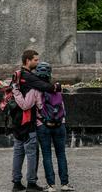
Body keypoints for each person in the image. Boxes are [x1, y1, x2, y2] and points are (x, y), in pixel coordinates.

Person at [10, 49, 57, 191]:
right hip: (27, 120)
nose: (37, 62)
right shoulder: (28, 76)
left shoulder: (18, 75)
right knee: (32, 152)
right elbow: (45, 86)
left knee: (18, 151)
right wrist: (56, 87)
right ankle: (31, 183)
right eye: (35, 60)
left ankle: (16, 183)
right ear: (27, 60)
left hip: (16, 120)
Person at [31, 62, 74, 192]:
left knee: (47, 155)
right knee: (61, 154)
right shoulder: (56, 88)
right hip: (59, 125)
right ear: (50, 73)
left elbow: (28, 105)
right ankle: (65, 184)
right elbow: (63, 108)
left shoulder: (36, 90)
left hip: (43, 126)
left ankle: (51, 186)